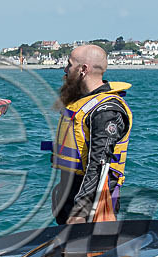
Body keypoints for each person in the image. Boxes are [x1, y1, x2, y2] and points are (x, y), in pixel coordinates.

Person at [51, 44, 132, 225]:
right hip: (71, 203)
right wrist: (60, 191)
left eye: (69, 64)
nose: (65, 69)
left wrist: (81, 210)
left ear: (83, 69)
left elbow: (99, 166)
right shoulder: (82, 103)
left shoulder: (106, 111)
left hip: (94, 211)